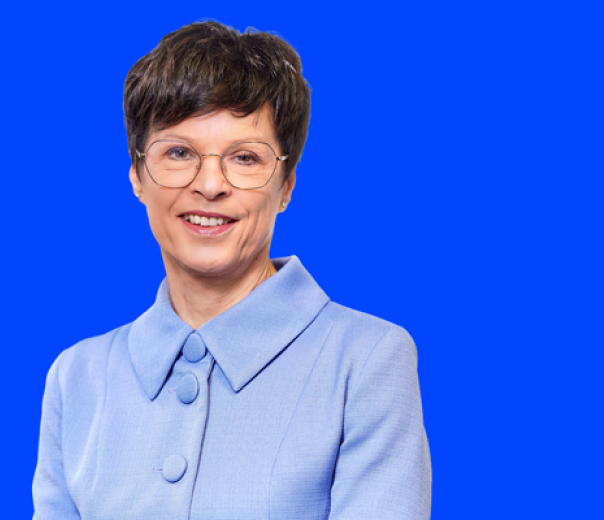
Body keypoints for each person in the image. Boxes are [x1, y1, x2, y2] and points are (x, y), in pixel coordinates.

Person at [32, 21, 431, 520]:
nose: (210, 185)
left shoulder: (366, 361)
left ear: (286, 185)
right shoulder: (76, 378)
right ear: (137, 175)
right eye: (179, 152)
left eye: (244, 158)